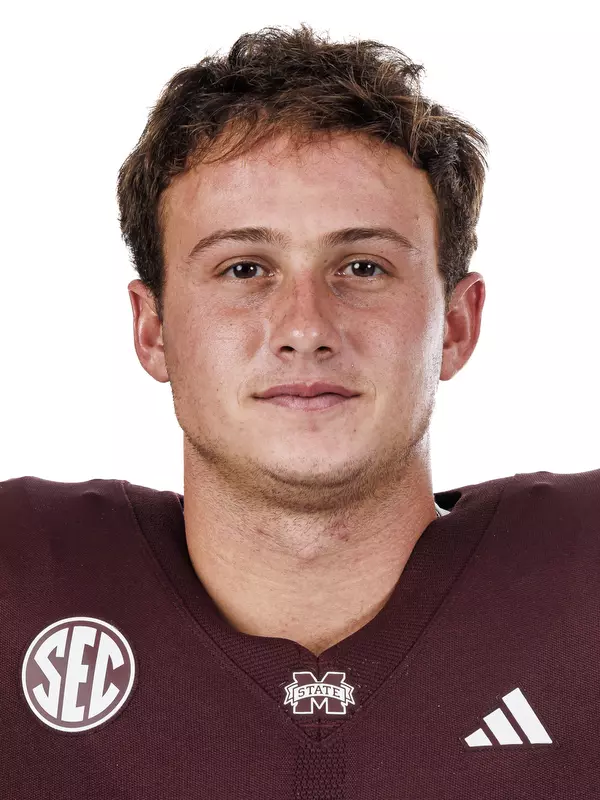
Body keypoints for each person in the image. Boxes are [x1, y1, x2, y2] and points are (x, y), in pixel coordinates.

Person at [2, 23, 598, 800]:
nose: (306, 329)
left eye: (362, 266)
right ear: (153, 331)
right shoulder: (20, 582)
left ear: (456, 325)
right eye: (244, 268)